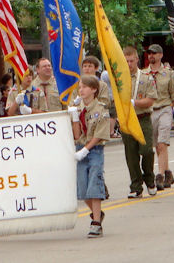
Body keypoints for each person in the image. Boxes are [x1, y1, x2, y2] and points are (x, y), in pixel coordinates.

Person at [70, 75, 109, 238]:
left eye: (85, 87)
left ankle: (96, 223)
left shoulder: (101, 109)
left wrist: (86, 149)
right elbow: (77, 134)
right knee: (83, 189)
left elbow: (99, 134)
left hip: (95, 150)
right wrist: (74, 118)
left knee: (94, 184)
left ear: (94, 90)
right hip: (80, 149)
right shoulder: (77, 108)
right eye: (80, 87)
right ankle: (97, 213)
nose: (81, 90)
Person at [122, 46, 158, 198]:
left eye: (131, 60)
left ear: (137, 59)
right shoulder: (119, 79)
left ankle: (149, 178)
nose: (129, 64)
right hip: (126, 120)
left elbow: (150, 100)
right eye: (126, 61)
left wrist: (135, 103)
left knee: (147, 151)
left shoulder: (146, 77)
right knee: (131, 155)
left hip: (142, 118)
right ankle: (136, 186)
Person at [145, 44, 174, 191]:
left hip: (165, 109)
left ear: (160, 55)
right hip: (150, 110)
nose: (151, 56)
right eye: (149, 53)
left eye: (154, 53)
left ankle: (159, 176)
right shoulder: (144, 74)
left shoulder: (168, 73)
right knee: (157, 146)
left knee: (162, 143)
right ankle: (168, 173)